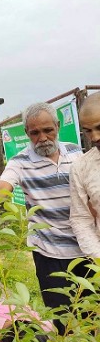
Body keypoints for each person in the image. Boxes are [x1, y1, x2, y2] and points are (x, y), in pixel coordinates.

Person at [0, 102, 89, 314]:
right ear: (26, 132)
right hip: (49, 254)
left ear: (58, 126)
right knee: (61, 317)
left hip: (87, 248)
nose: (42, 138)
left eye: (47, 130)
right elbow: (2, 188)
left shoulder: (76, 153)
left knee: (91, 314)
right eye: (34, 133)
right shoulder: (19, 162)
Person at [70, 91, 100, 257]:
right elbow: (80, 218)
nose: (94, 137)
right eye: (87, 131)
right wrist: (98, 259)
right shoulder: (81, 167)